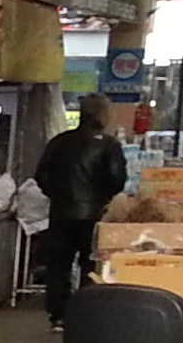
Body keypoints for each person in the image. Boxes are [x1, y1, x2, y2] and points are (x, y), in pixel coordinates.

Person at [32, 94, 129, 326]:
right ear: (102, 115)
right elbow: (117, 179)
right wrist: (103, 196)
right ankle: (86, 313)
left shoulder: (59, 141)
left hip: (61, 212)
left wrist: (56, 193)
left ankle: (58, 315)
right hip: (94, 214)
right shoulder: (109, 145)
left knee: (59, 265)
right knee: (90, 263)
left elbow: (41, 174)